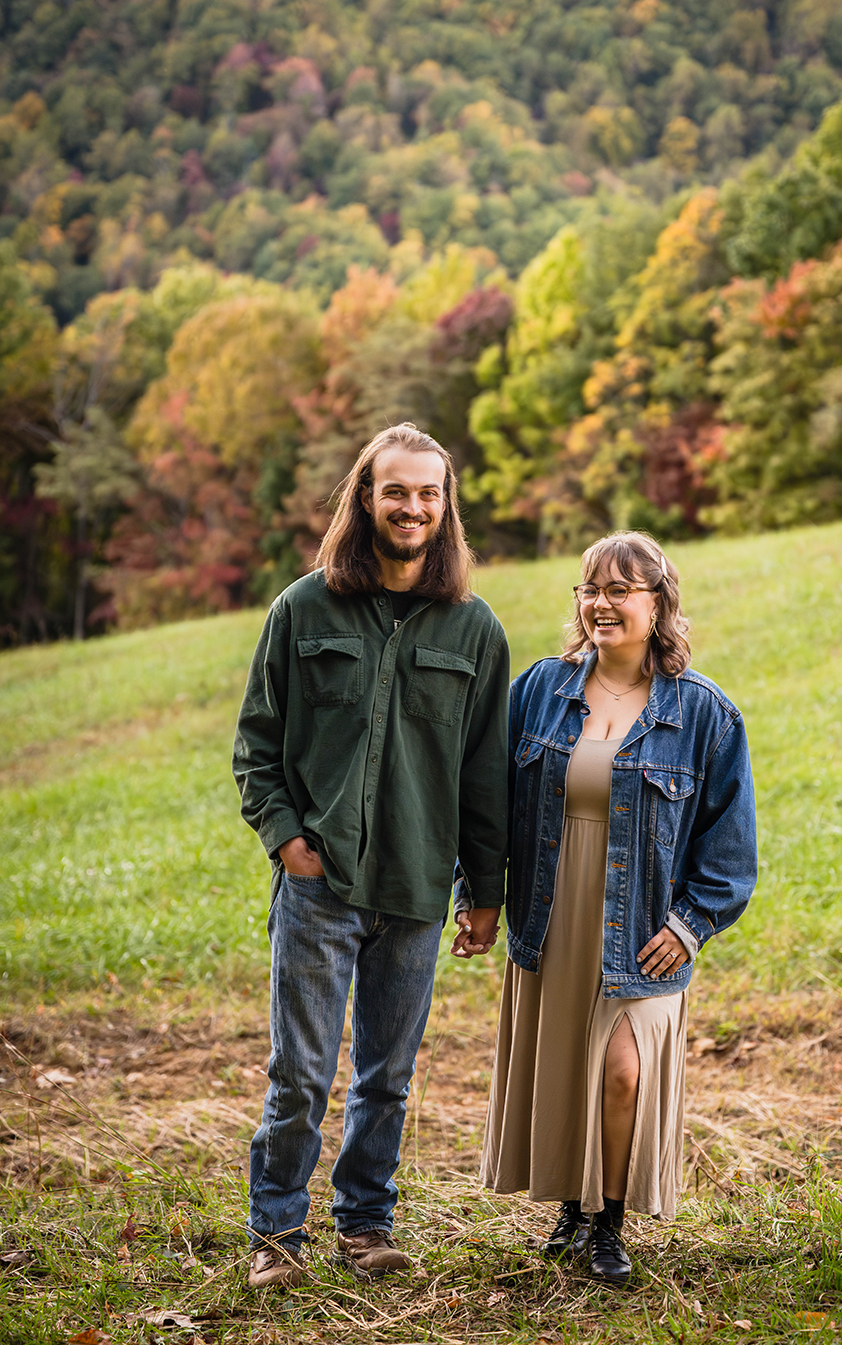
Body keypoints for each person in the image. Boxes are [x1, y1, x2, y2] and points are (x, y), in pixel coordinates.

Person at [233, 423, 509, 1288]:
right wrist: (287, 839)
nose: (413, 507)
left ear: (446, 506)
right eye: (397, 490)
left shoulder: (474, 631)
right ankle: (276, 1235)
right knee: (302, 1075)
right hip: (321, 886)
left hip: (418, 891)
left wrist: (483, 890)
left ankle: (365, 1223)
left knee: (387, 1078)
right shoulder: (302, 609)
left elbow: (484, 773)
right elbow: (257, 745)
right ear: (366, 497)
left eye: (429, 493)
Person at [480, 530, 756, 1285]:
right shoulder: (540, 689)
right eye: (591, 589)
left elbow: (730, 848)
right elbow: (491, 808)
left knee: (624, 1071)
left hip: (641, 927)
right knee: (568, 1065)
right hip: (553, 907)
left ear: (658, 602)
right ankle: (570, 1208)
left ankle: (608, 1223)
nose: (602, 603)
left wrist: (691, 923)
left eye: (621, 589)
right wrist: (477, 896)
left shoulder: (706, 714)